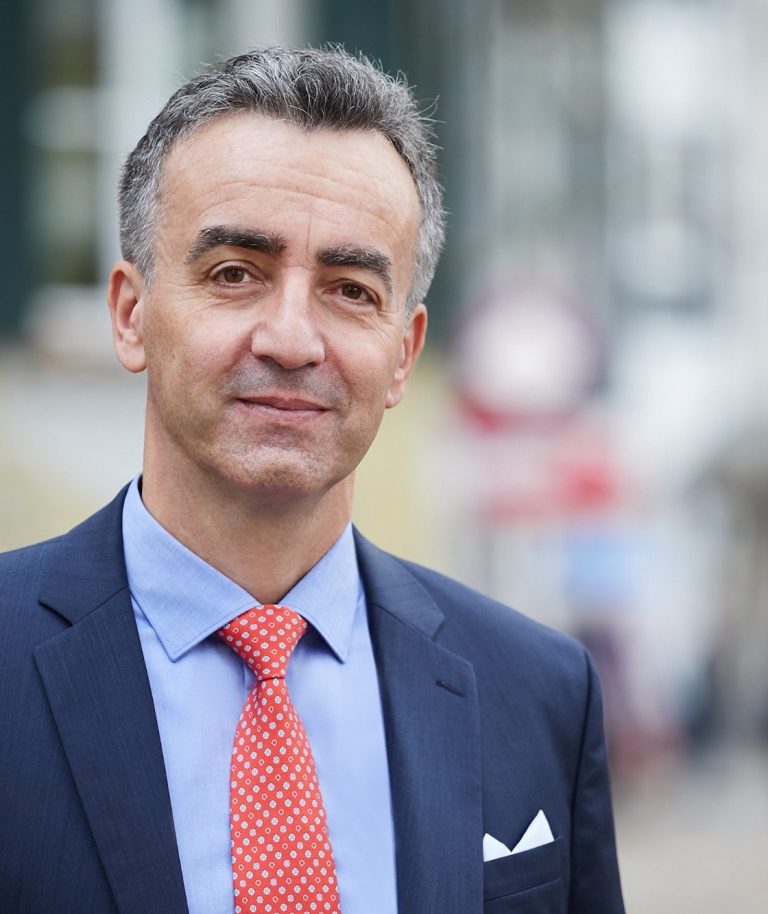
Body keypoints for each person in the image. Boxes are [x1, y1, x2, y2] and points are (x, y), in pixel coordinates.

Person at [0, 47, 624, 914]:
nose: (292, 340)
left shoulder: (538, 693)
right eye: (234, 274)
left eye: (350, 290)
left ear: (403, 355)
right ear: (131, 314)